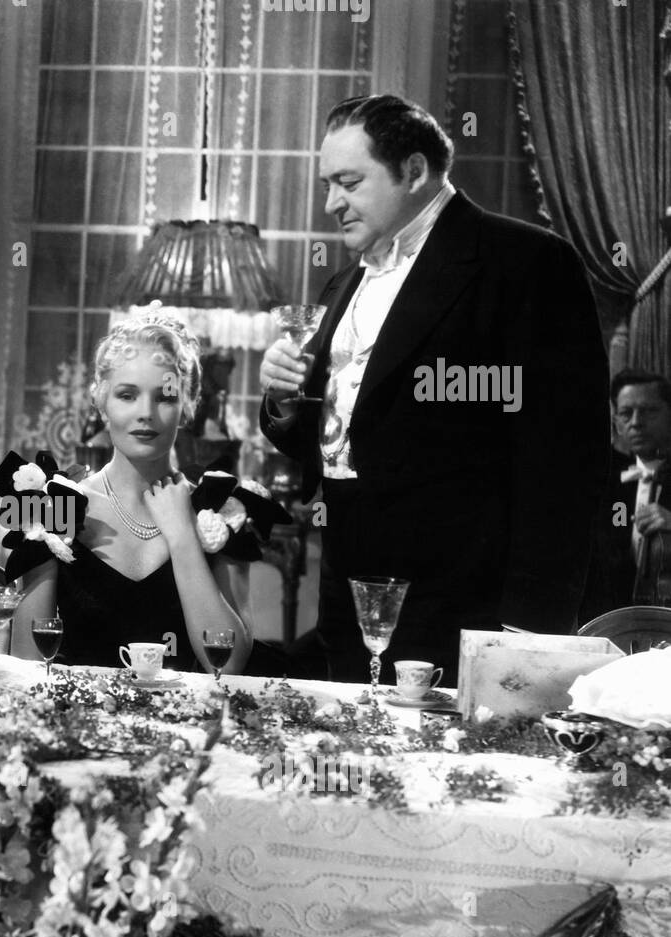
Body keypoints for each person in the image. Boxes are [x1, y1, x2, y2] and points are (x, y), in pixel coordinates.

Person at [259, 94, 608, 684]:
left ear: (415, 171)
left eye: (348, 181)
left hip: (468, 613)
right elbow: (342, 441)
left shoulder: (527, 263)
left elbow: (565, 463)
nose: (330, 203)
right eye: (327, 184)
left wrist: (530, 625)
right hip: (350, 604)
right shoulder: (343, 282)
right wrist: (284, 402)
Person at [8, 313, 268, 675]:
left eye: (164, 397)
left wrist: (182, 537)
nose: (145, 413)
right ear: (100, 401)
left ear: (188, 404)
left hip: (185, 726)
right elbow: (27, 662)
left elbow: (226, 666)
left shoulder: (222, 511)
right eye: (127, 395)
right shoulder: (55, 506)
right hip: (76, 723)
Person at [580, 370, 671, 619]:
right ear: (616, 423)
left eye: (649, 411)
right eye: (625, 413)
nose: (636, 422)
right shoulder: (609, 480)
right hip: (616, 621)